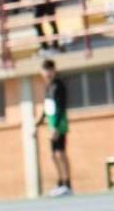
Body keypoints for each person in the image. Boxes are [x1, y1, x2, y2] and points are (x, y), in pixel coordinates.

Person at [37, 58, 73, 196]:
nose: (48, 73)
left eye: (50, 70)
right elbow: (47, 107)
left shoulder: (59, 86)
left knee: (60, 153)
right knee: (53, 155)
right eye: (45, 70)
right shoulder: (48, 86)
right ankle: (60, 182)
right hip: (51, 124)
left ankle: (67, 184)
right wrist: (39, 122)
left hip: (59, 124)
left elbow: (61, 108)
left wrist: (56, 127)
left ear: (54, 71)